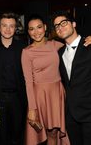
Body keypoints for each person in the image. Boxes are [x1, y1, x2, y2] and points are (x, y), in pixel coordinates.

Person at [21, 14, 71, 145]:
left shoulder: (56, 45)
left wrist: (87, 40)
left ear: (44, 27)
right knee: (48, 132)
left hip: (57, 93)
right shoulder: (26, 52)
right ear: (28, 32)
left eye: (38, 27)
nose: (36, 32)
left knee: (54, 132)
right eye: (31, 29)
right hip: (39, 96)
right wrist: (32, 108)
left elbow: (74, 46)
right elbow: (28, 82)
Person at [51, 10, 91, 145]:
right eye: (56, 26)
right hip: (71, 115)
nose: (60, 27)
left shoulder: (89, 45)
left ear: (74, 24)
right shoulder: (60, 52)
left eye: (63, 23)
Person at [0, 12, 27, 145]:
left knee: (18, 134)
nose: (8, 29)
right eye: (4, 25)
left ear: (15, 28)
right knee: (0, 136)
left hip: (18, 98)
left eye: (11, 26)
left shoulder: (23, 48)